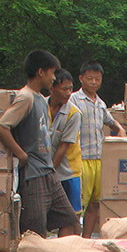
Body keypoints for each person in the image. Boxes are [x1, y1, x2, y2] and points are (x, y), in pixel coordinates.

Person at [0, 49, 79, 238]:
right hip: (32, 175)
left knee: (70, 220)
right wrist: (21, 154)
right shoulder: (25, 97)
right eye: (52, 73)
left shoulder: (41, 99)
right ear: (41, 72)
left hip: (48, 171)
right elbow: (2, 126)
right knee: (35, 229)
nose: (53, 78)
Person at [70, 62, 126, 238]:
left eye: (97, 79)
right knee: (78, 205)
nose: (94, 82)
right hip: (81, 158)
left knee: (95, 204)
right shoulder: (73, 100)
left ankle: (86, 240)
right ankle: (73, 241)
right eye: (90, 79)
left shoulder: (100, 103)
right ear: (81, 79)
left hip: (99, 159)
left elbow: (111, 121)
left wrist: (120, 130)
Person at [47, 69, 83, 235]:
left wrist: (49, 172)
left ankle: (73, 250)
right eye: (64, 89)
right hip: (46, 169)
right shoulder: (41, 107)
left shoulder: (73, 113)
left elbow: (63, 147)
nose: (69, 93)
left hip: (68, 172)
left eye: (71, 88)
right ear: (52, 88)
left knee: (71, 216)